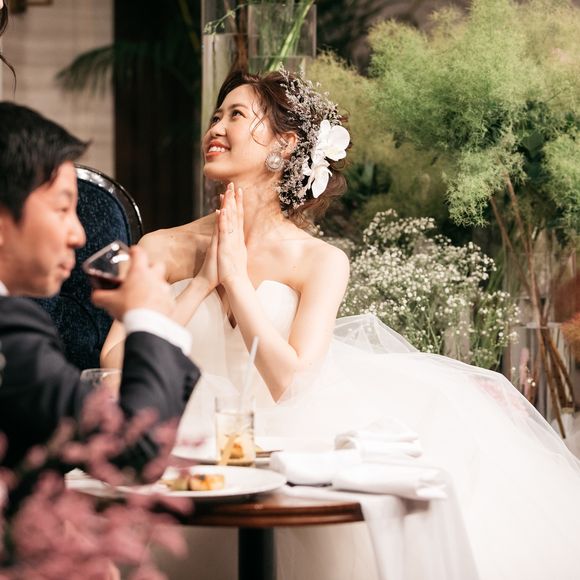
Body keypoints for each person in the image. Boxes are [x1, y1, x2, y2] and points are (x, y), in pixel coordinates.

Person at [102, 69, 580, 580]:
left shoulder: (321, 261)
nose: (215, 128)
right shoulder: (160, 247)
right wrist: (201, 283)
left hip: (289, 446)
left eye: (235, 115)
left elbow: (291, 384)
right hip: (175, 443)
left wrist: (236, 280)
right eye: (216, 116)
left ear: (284, 145)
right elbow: (111, 368)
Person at [0, 102, 200, 472]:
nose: (79, 235)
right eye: (62, 209)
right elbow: (133, 450)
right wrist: (149, 316)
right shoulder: (9, 331)